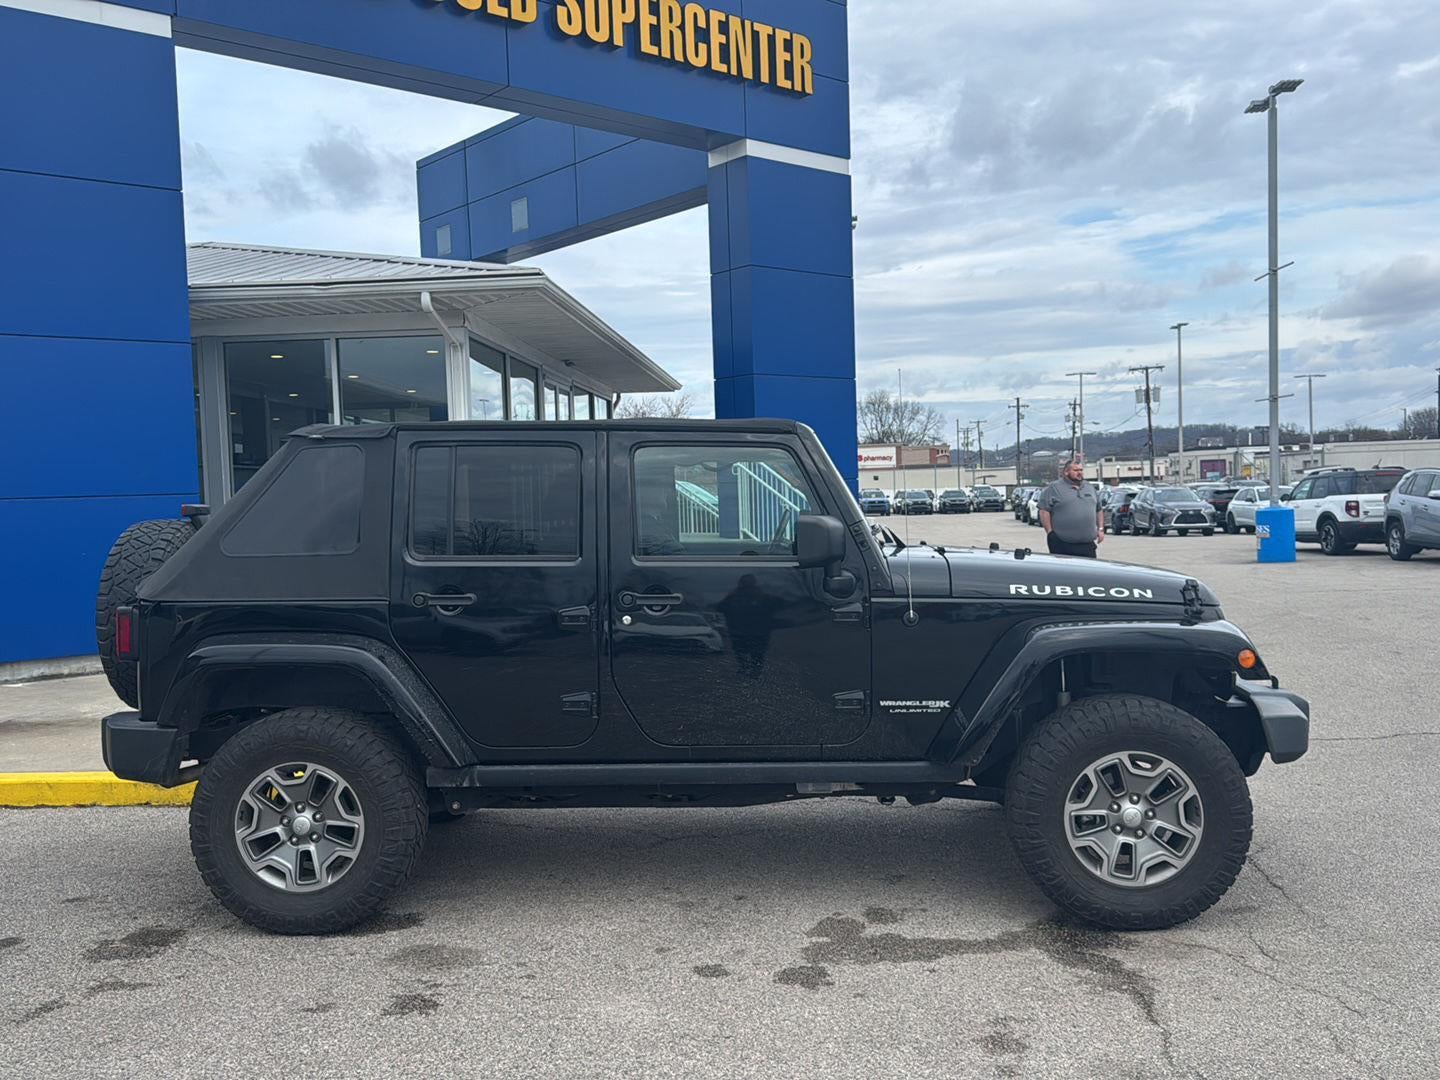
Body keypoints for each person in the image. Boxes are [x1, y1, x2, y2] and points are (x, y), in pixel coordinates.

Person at [1038, 456, 1103, 558]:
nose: (1079, 472)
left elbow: (1098, 509)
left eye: (1081, 470)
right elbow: (1044, 511)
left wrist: (1101, 529)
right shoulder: (1054, 488)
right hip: (1062, 544)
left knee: (1088, 573)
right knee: (1065, 573)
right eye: (1075, 470)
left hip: (1087, 545)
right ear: (1066, 472)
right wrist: (1050, 532)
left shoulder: (1090, 488)